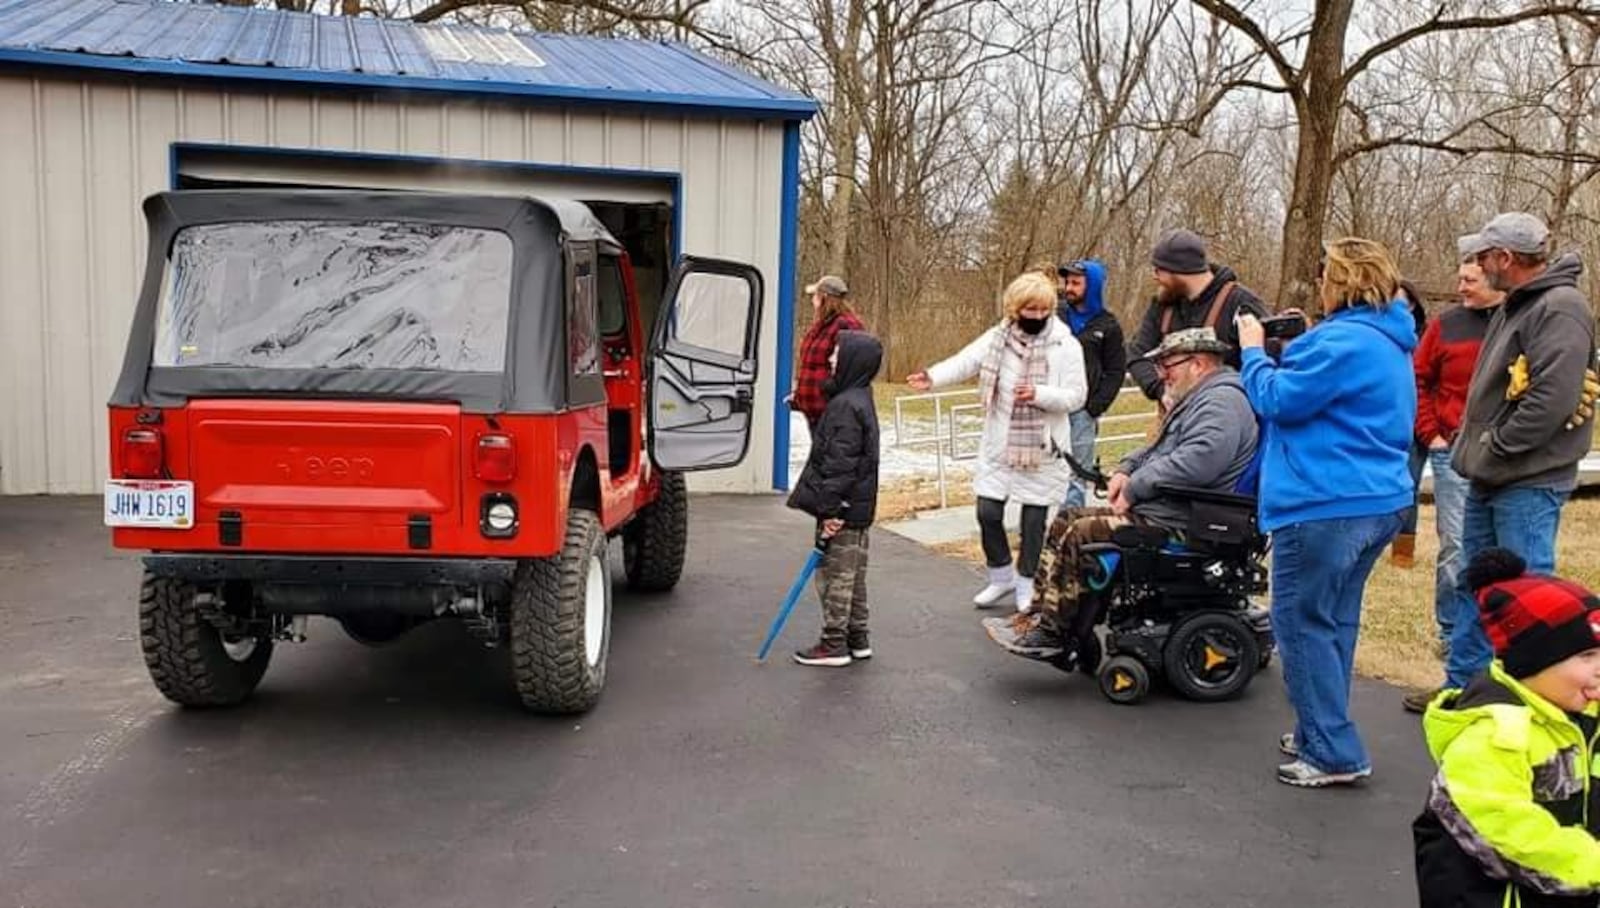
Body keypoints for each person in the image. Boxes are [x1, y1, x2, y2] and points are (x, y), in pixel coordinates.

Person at [1237, 236, 1417, 788]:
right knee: (1334, 620)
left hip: (1323, 502)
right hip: (1379, 499)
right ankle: (1322, 728)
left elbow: (1275, 399)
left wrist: (1251, 349)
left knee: (1299, 623)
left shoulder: (1339, 342)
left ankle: (1334, 751)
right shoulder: (1390, 341)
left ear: (1338, 282)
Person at [981, 328, 1258, 661]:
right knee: (1067, 519)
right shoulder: (1202, 399)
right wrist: (1127, 468)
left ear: (1197, 364)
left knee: (1082, 533)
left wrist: (1136, 486)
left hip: (1185, 522)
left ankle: (1055, 632)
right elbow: (1157, 450)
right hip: (1167, 510)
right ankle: (1042, 617)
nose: (1161, 374)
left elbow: (1200, 461)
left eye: (1168, 365)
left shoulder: (1223, 403)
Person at [1444, 213, 1597, 695]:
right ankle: (1466, 691)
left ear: (1505, 258)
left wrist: (1496, 446)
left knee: (1527, 598)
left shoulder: (1560, 307)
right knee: (1477, 588)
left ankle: (1526, 701)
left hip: (1527, 480)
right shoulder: (1519, 305)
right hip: (1492, 477)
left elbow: (1552, 398)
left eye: (1483, 256)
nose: (1477, 265)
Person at [1413, 548, 1600, 908]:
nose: (1599, 668)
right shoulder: (1493, 733)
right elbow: (1508, 834)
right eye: (1586, 656)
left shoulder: (1581, 710)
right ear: (1534, 664)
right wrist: (1592, 863)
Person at [906, 272, 1087, 614]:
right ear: (1014, 309)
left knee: (1034, 521)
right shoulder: (998, 337)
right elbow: (965, 361)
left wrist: (1039, 394)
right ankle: (1000, 574)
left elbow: (1077, 396)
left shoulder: (1067, 346)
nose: (1034, 316)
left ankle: (1026, 580)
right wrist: (932, 377)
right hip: (1000, 441)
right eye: (1028, 309)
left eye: (1042, 310)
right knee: (987, 512)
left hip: (1042, 445)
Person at [1400, 241, 1505, 714]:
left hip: (1506, 454)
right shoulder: (1444, 326)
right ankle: (1451, 633)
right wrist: (1430, 433)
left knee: (1503, 553)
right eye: (1460, 277)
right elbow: (1418, 379)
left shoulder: (1514, 322)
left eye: (1470, 280)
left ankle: (1497, 644)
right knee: (1458, 547)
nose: (1460, 286)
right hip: (1453, 450)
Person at [786, 330, 883, 667]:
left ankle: (833, 644)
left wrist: (830, 510)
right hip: (854, 508)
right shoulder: (859, 398)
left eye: (837, 355)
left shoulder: (844, 407)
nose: (830, 359)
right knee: (854, 575)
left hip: (842, 509)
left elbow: (840, 466)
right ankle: (858, 637)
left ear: (852, 362)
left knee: (834, 576)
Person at [1126, 228, 1269, 403]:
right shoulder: (1163, 304)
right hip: (1177, 421)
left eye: (1158, 270)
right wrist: (1161, 391)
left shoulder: (1241, 304)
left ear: (1177, 271)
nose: (1155, 277)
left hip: (1229, 415)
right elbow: (1137, 354)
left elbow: (1264, 364)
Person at [1056, 259, 1126, 508]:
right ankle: (1035, 526)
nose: (1069, 288)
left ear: (1092, 286)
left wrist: (1095, 406)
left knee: (1078, 472)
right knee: (1043, 470)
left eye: (1076, 283)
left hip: (1082, 411)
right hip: (1051, 403)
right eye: (1067, 282)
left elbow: (1116, 370)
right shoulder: (1055, 316)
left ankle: (1068, 524)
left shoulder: (1108, 325)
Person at [789, 275, 865, 433]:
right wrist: (800, 396)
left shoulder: (847, 326)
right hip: (815, 412)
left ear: (824, 297)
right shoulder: (820, 326)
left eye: (815, 296)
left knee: (831, 456)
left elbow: (850, 371)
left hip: (833, 414)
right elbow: (812, 366)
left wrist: (826, 393)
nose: (813, 301)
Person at [1391, 279, 1432, 569]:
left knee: (1409, 487)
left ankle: (1403, 550)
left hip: (1418, 425)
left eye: (1400, 300)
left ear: (1413, 304)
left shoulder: (1424, 338)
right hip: (1391, 421)